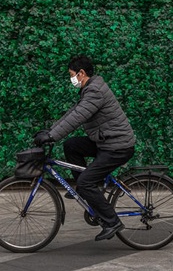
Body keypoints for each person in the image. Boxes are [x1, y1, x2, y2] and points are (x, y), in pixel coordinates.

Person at [34, 55, 136, 241]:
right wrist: (51, 131)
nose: (71, 79)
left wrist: (51, 136)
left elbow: (78, 118)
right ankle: (86, 192)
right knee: (71, 145)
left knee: (85, 182)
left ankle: (112, 221)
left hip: (117, 146)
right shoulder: (90, 89)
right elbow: (72, 113)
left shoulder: (95, 92)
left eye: (72, 75)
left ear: (81, 73)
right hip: (106, 141)